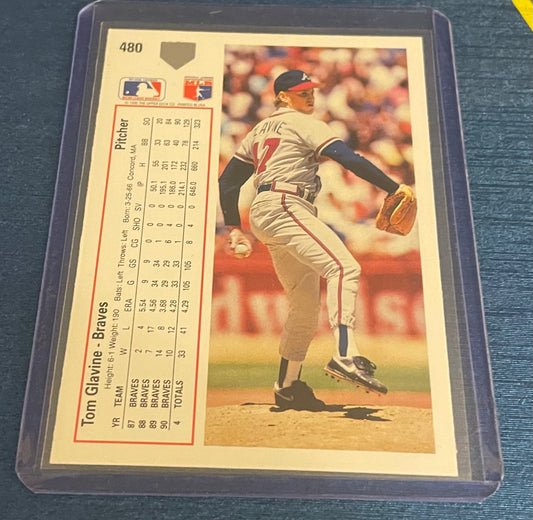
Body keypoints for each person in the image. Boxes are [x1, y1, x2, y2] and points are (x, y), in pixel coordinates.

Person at [219, 69, 408, 411]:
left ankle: (287, 387)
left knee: (305, 306)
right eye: (301, 91)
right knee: (344, 268)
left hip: (269, 209)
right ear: (282, 96)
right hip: (286, 205)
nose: (309, 95)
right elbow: (349, 158)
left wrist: (234, 228)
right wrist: (393, 187)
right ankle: (346, 355)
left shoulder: (258, 131)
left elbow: (228, 182)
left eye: (311, 90)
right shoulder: (305, 123)